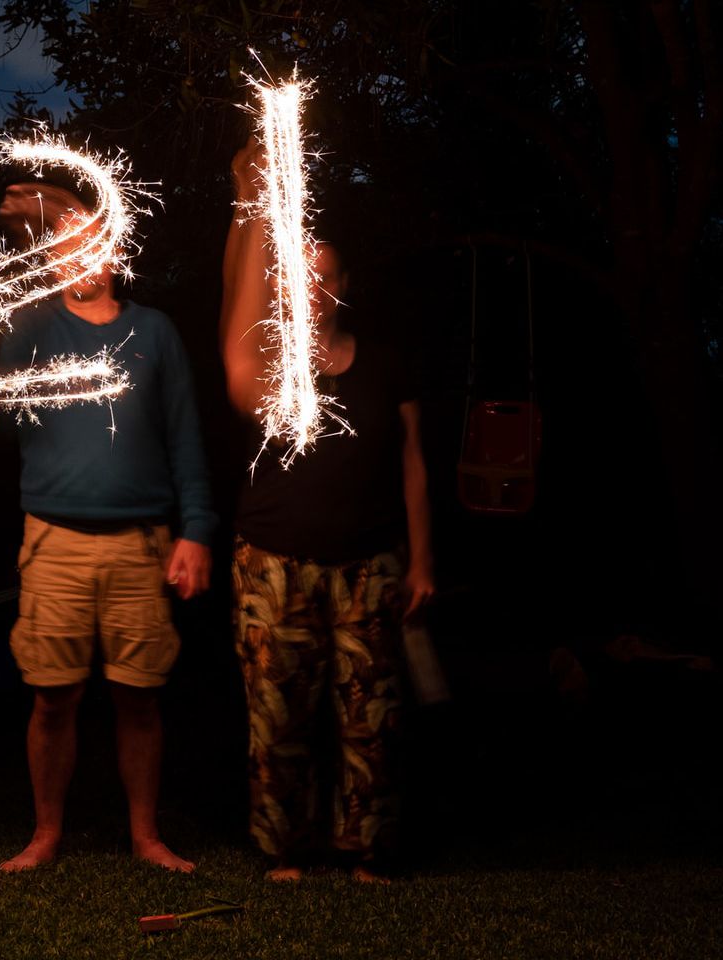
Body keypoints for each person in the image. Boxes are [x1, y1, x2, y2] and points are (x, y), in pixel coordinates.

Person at [219, 137, 436, 883]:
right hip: (274, 560)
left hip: (369, 564)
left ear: (343, 285)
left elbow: (412, 461)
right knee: (276, 720)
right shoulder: (268, 363)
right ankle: (286, 848)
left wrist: (422, 558)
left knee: (371, 721)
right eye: (298, 277)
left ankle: (365, 849)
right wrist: (249, 195)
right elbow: (231, 298)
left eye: (325, 276)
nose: (311, 288)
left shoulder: (384, 361)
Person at [0, 172, 216, 873]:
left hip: (139, 542)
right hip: (53, 540)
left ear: (115, 250)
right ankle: (46, 833)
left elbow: (185, 437)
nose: (78, 256)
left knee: (139, 698)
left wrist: (198, 529)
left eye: (91, 243)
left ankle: (146, 836)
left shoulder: (154, 332)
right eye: (63, 246)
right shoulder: (28, 324)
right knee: (53, 699)